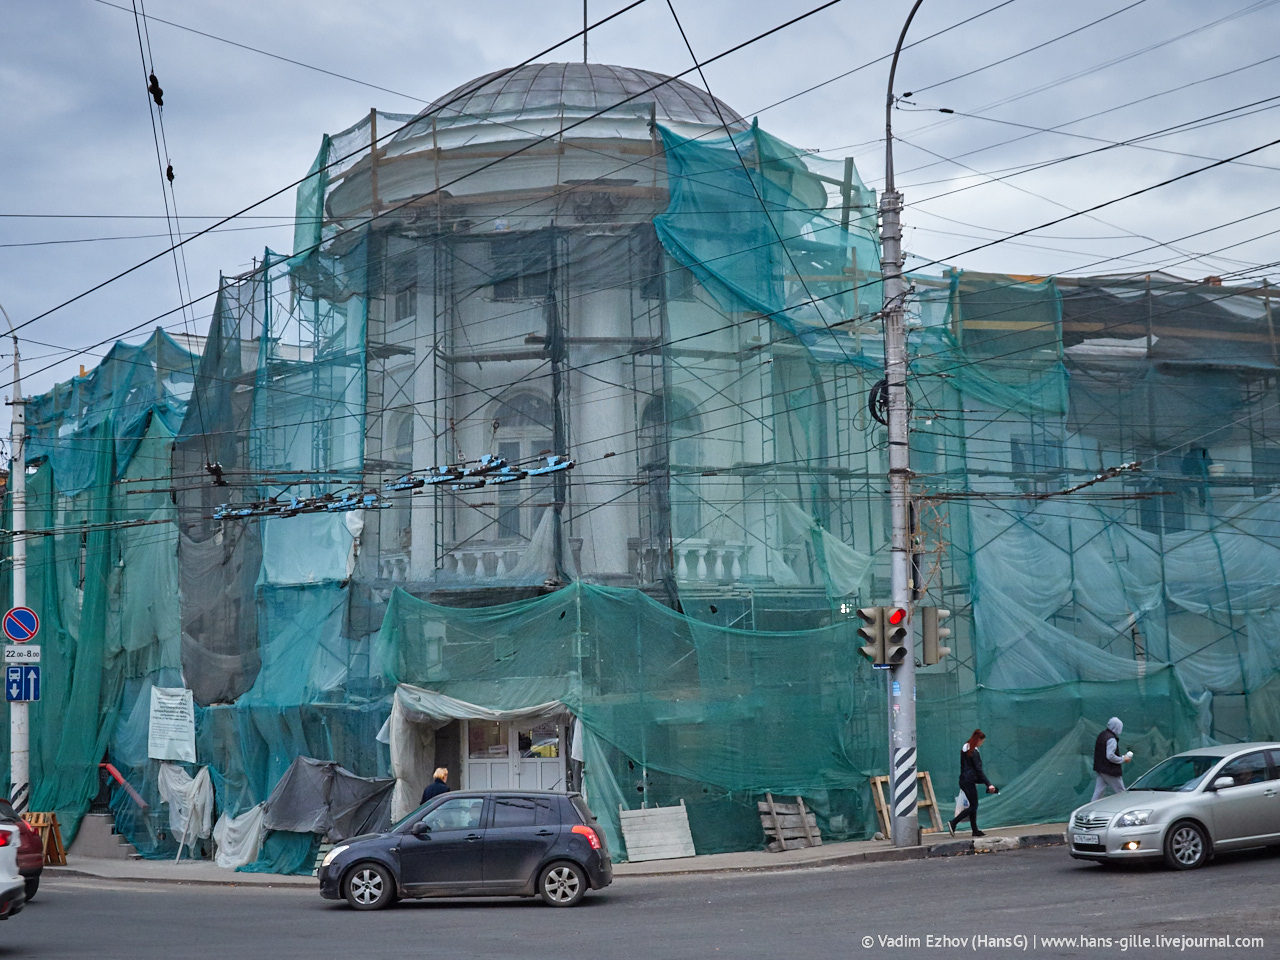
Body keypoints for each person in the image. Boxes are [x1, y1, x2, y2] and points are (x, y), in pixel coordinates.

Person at [947, 729, 998, 837]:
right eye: (981, 741)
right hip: (969, 781)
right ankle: (953, 823)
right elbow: (978, 770)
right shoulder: (973, 751)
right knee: (974, 806)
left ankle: (975, 830)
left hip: (964, 780)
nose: (981, 743)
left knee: (973, 805)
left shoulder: (966, 747)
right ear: (978, 740)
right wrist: (988, 784)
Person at [1091, 717, 1133, 800]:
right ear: (1117, 727)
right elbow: (1110, 756)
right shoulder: (1111, 739)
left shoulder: (1102, 735)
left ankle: (1090, 808)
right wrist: (1123, 759)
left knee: (1098, 792)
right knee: (1121, 791)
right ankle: (1127, 807)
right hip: (1110, 770)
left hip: (1101, 768)